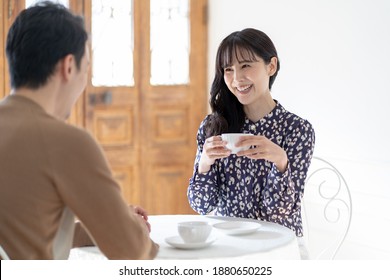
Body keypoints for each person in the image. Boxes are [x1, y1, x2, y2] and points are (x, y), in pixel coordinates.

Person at [0, 2, 158, 260]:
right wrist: (135, 229)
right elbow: (132, 252)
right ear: (69, 66)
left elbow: (20, 236)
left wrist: (103, 222)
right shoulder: (66, 142)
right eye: (86, 70)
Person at [187, 28, 315, 237]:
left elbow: (278, 214)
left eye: (246, 65)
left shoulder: (297, 130)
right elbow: (201, 205)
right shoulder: (214, 126)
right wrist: (204, 164)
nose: (237, 79)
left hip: (276, 245)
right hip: (228, 243)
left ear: (271, 66)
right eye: (228, 69)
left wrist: (280, 162)